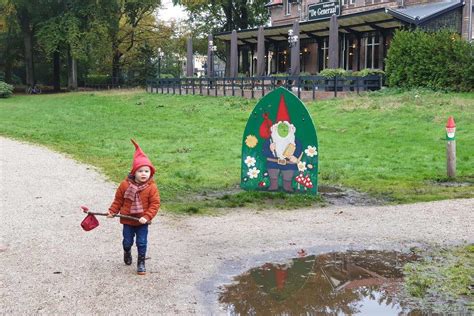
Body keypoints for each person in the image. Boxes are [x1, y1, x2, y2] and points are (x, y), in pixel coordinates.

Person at [107, 139, 160, 275]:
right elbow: (118, 200)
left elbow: (155, 204)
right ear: (134, 172)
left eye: (147, 171)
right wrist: (112, 211)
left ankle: (141, 262)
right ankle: (127, 251)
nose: (143, 174)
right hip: (128, 220)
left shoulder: (151, 187)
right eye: (140, 171)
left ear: (151, 173)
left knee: (142, 242)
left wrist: (147, 216)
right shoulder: (125, 185)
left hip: (142, 221)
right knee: (127, 241)